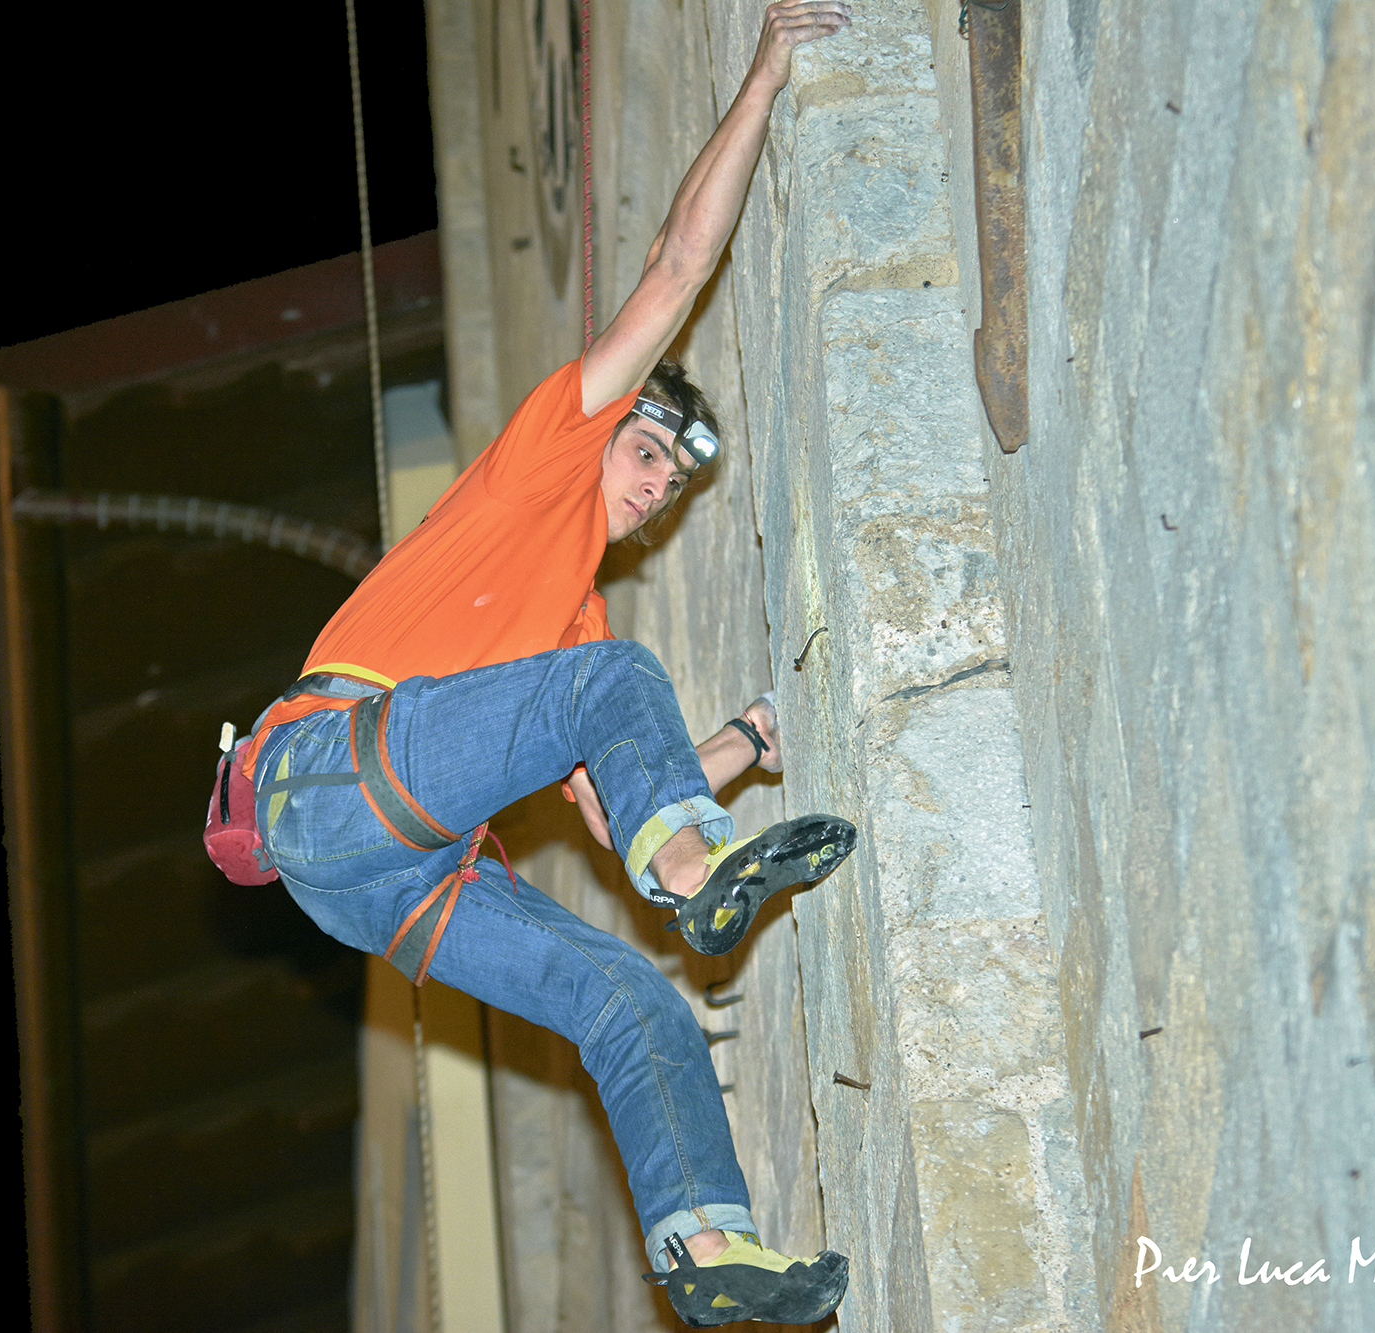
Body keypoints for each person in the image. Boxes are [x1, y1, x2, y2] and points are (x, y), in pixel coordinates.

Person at [238, 4, 857, 1325]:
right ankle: (694, 884)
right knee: (621, 698)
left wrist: (749, 741)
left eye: (676, 483)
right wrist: (764, 71)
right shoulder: (546, 458)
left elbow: (630, 795)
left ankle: (709, 1246)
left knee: (633, 1000)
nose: (653, 486)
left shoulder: (575, 642)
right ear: (605, 426)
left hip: (387, 883)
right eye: (648, 451)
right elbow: (679, 262)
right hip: (327, 774)